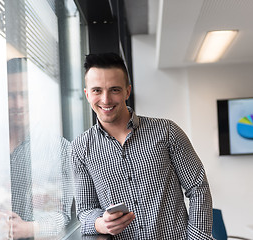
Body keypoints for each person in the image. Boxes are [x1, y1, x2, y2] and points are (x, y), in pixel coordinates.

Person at [71, 52, 213, 239]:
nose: (106, 100)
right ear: (87, 94)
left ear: (127, 91)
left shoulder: (167, 131)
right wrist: (101, 223)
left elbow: (198, 188)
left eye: (114, 90)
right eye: (97, 90)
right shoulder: (80, 148)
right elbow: (85, 210)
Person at [7, 58, 74, 239]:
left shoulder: (59, 148)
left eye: (25, 95)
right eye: (10, 95)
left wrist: (28, 229)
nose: (18, 103)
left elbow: (62, 215)